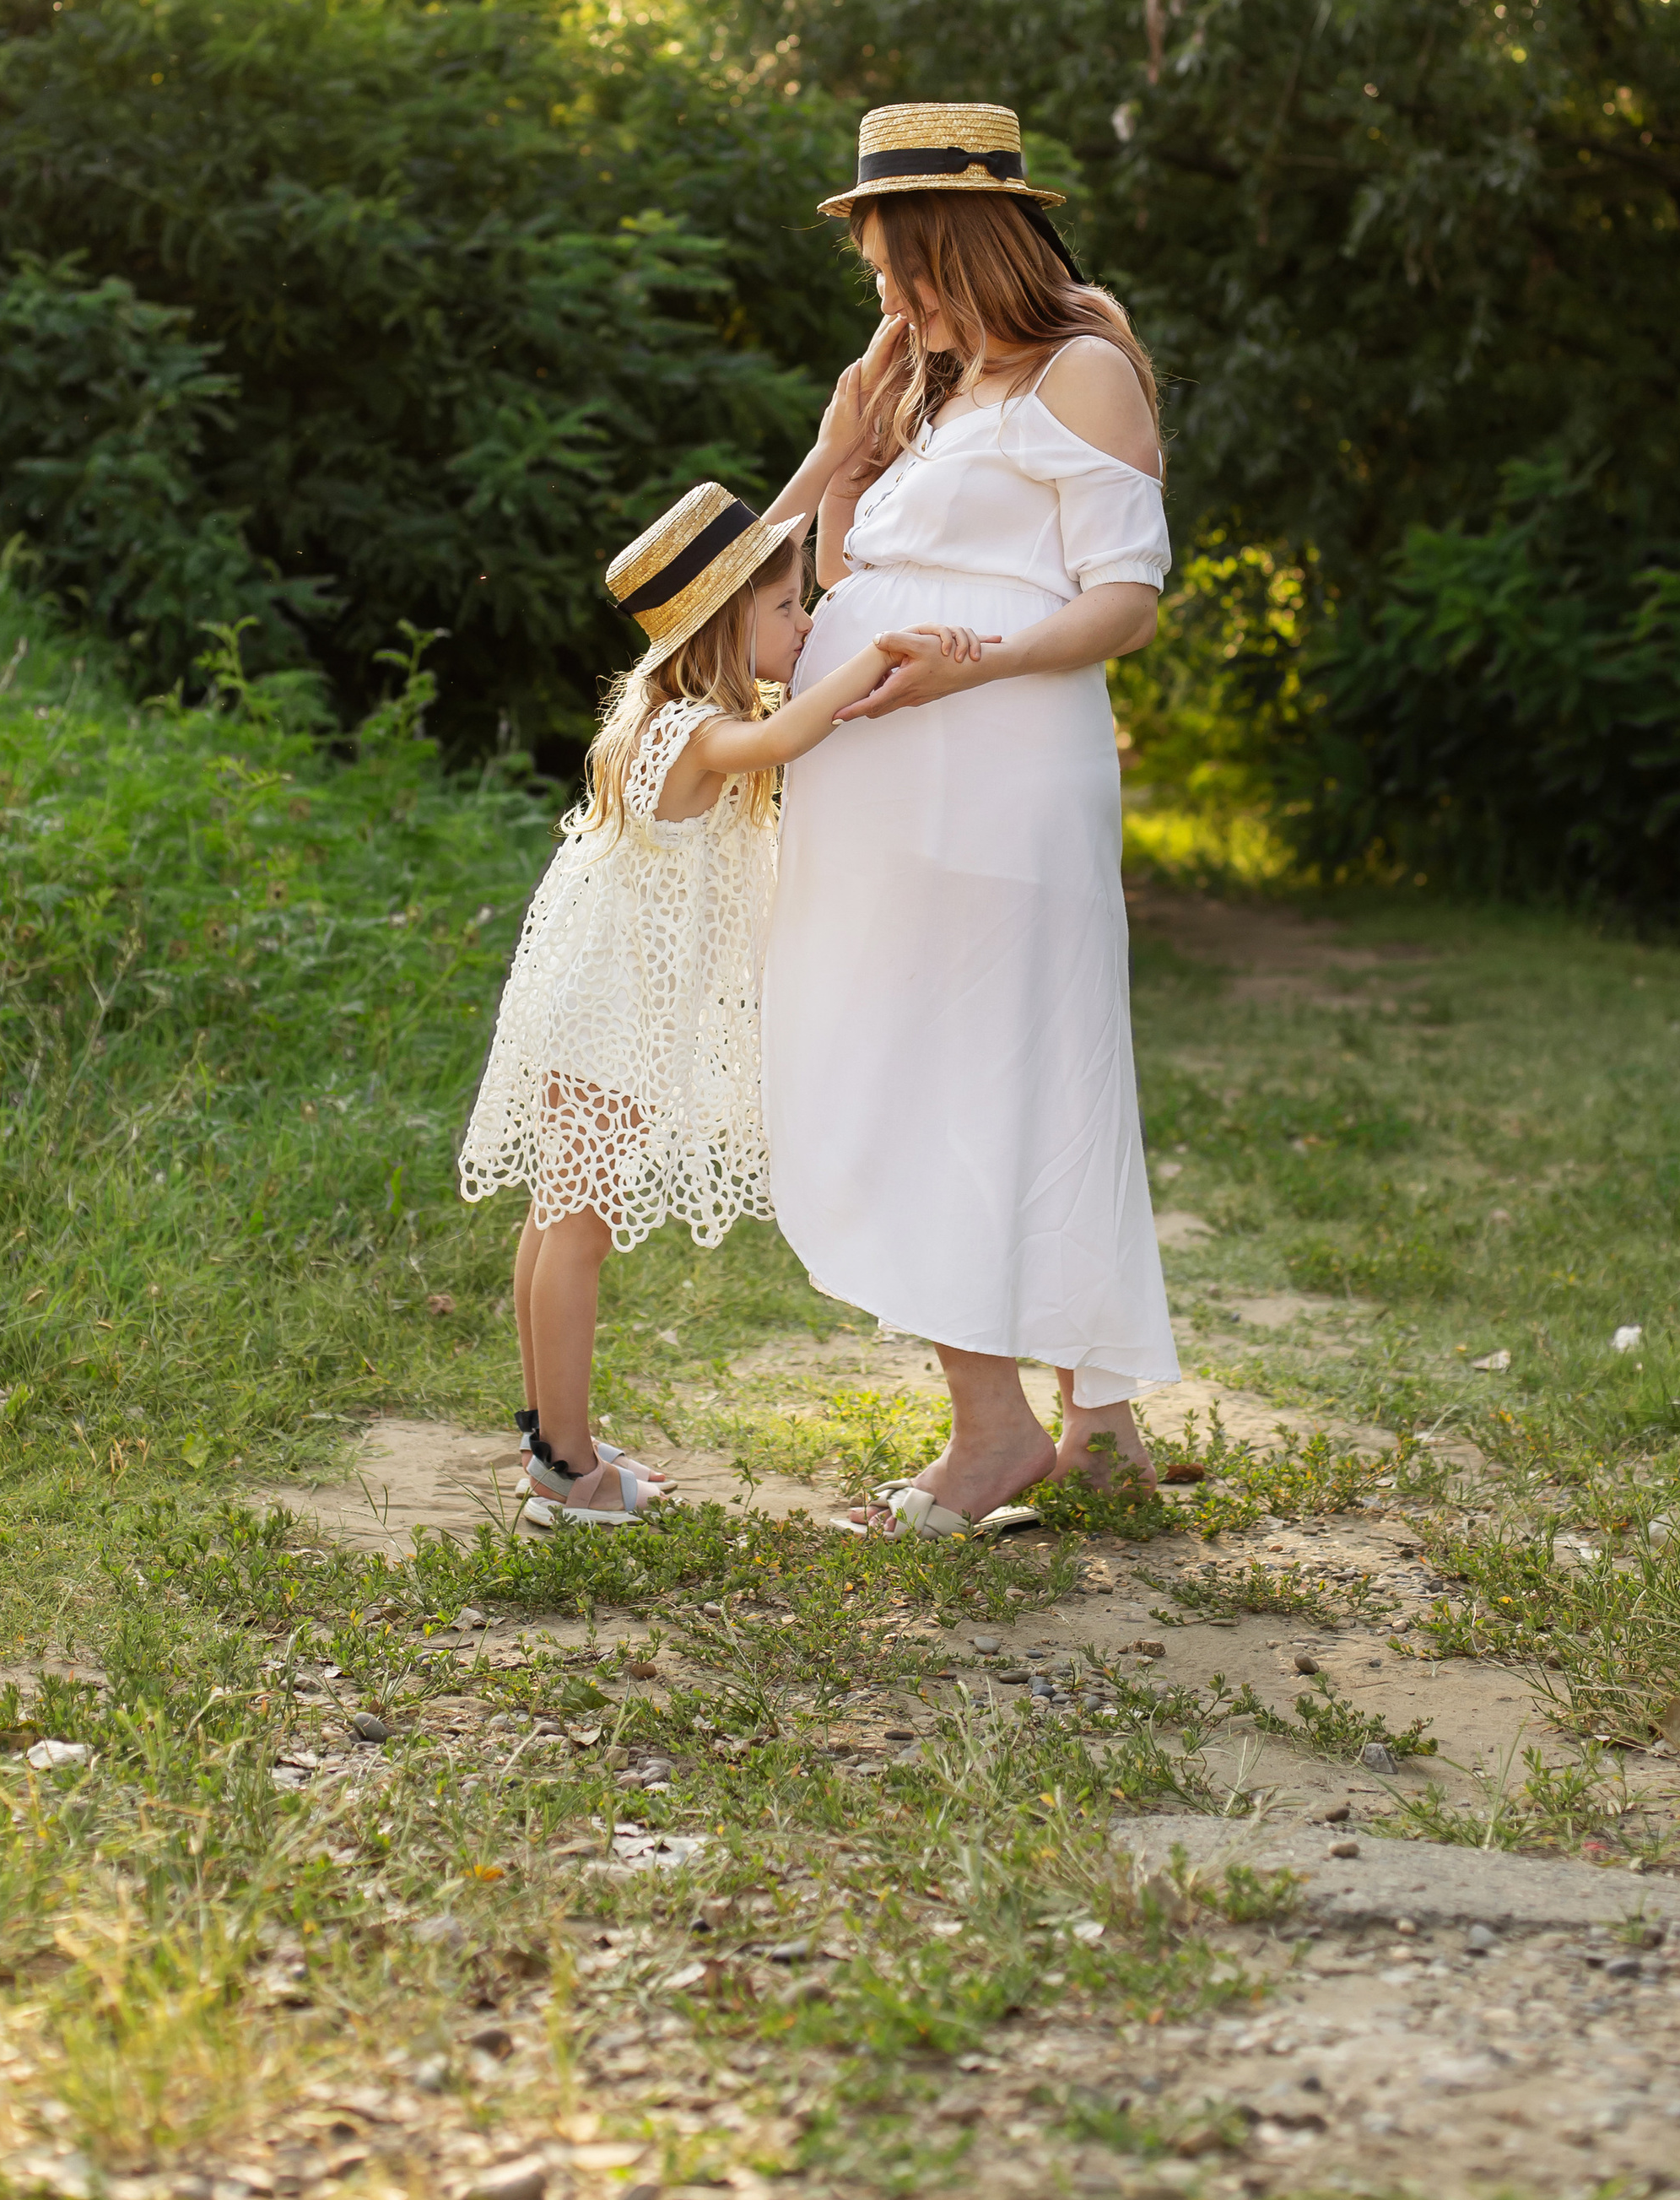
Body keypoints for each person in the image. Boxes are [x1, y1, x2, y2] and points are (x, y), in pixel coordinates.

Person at [763, 101, 1180, 1538]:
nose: (888, 298)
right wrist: (842, 445)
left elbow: (1124, 593)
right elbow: (836, 574)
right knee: (977, 1071)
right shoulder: (930, 393)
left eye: (903, 266)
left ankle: (998, 1431)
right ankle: (1102, 1428)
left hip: (993, 771)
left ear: (967, 245)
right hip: (889, 781)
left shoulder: (1080, 374)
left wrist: (978, 667)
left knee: (977, 1074)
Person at [456, 475, 980, 1527]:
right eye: (788, 611)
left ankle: (552, 1442)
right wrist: (881, 657)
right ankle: (566, 1473)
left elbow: (739, 569)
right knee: (577, 1230)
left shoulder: (661, 700)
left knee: (557, 1218)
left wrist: (831, 457)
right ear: (723, 625)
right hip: (608, 1008)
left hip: (585, 993)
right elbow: (784, 742)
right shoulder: (692, 730)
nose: (806, 622)